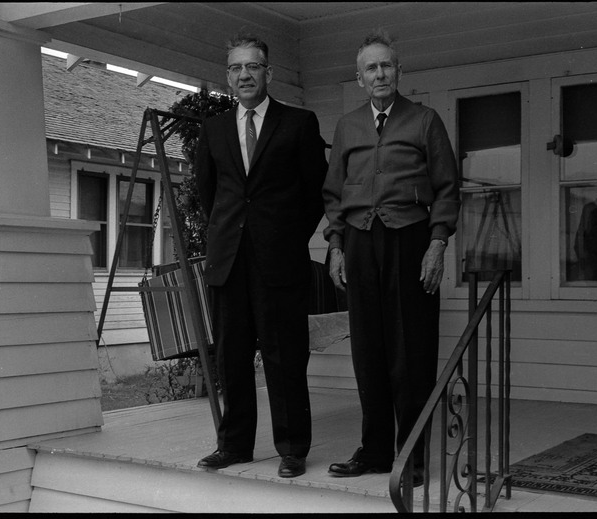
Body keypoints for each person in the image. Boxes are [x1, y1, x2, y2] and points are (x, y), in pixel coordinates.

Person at [322, 30, 460, 486]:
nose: (380, 74)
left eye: (387, 66)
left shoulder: (424, 120)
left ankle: (412, 455)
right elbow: (334, 193)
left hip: (409, 242)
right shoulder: (348, 126)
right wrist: (337, 245)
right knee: (369, 351)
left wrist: (437, 243)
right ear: (359, 78)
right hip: (360, 243)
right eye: (371, 68)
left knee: (411, 352)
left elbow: (446, 188)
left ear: (398, 71)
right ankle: (375, 450)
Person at [194, 33, 328, 478]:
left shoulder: (299, 123)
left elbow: (316, 194)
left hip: (279, 261)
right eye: (236, 68)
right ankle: (234, 445)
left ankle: (292, 448)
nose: (245, 75)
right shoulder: (213, 129)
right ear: (228, 77)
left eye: (253, 67)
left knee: (284, 355)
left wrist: (287, 238)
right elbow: (208, 194)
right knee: (230, 355)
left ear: (268, 73)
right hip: (228, 261)